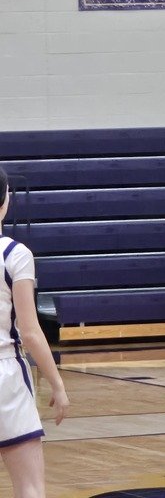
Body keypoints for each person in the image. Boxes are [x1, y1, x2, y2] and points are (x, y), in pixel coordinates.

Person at [0, 165, 70, 498]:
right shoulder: (15, 254)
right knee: (30, 488)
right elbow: (31, 332)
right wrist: (57, 384)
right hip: (6, 375)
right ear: (5, 201)